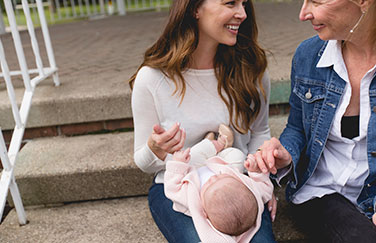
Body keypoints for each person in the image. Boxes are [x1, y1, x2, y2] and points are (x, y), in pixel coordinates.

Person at [128, 0, 277, 241]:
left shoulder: (251, 69)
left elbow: (260, 133)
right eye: (230, 3)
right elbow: (145, 163)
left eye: (244, 4)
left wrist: (261, 182)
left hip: (237, 183)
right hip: (177, 190)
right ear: (195, 8)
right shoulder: (152, 78)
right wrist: (155, 150)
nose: (242, 14)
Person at [249, 0, 376, 242]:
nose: (303, 14)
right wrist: (285, 153)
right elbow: (297, 127)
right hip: (322, 193)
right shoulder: (308, 56)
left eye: (316, 1)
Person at [164, 126, 273, 243]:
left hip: (194, 166)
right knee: (238, 156)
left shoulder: (191, 199)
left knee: (196, 153)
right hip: (223, 163)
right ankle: (223, 146)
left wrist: (178, 164)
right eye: (222, 178)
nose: (213, 178)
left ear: (204, 211)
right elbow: (263, 186)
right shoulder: (254, 192)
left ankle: (213, 143)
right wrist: (255, 170)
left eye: (209, 185)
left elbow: (172, 188)